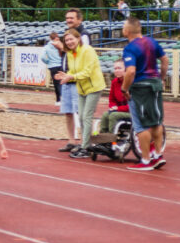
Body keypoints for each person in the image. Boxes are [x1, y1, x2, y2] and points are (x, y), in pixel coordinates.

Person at [121, 16, 168, 171]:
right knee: (156, 120)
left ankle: (146, 159)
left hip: (140, 87)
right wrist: (161, 77)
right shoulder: (152, 42)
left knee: (141, 125)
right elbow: (165, 59)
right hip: (155, 84)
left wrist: (124, 88)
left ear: (127, 31)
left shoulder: (130, 48)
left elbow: (131, 71)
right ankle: (158, 154)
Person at [55, 29, 106, 158]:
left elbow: (87, 72)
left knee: (86, 116)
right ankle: (85, 144)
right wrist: (65, 75)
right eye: (66, 40)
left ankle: (86, 147)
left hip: (93, 87)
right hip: (82, 88)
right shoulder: (71, 53)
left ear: (78, 38)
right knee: (81, 116)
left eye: (71, 39)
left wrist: (70, 77)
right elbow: (73, 70)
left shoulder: (87, 50)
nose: (69, 42)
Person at [97, 61, 130, 134]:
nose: (117, 70)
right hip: (119, 110)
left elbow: (134, 104)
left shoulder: (132, 82)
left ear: (126, 69)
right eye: (115, 68)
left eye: (119, 68)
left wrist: (118, 109)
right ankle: (103, 138)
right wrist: (113, 106)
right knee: (105, 115)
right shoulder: (114, 82)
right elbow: (112, 99)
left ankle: (110, 139)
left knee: (113, 115)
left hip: (132, 112)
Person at [40, 33, 63, 105]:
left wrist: (48, 62)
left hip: (52, 66)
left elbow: (42, 57)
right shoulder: (60, 45)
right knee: (63, 82)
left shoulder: (46, 47)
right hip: (61, 65)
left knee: (56, 84)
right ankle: (62, 99)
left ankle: (58, 100)